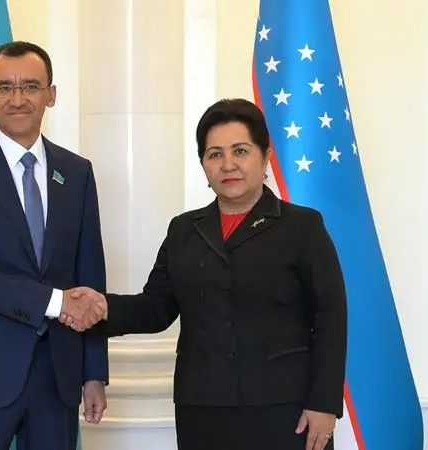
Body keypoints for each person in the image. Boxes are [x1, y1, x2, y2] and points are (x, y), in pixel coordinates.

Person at [62, 98, 348, 450]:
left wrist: (324, 403)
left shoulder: (302, 226)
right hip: (203, 408)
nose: (228, 164)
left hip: (286, 408)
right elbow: (156, 307)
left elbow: (330, 318)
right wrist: (102, 307)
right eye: (215, 154)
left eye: (240, 151)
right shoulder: (184, 229)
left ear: (265, 157)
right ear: (203, 164)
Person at [0, 41, 109, 450]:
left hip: (58, 377)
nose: (17, 98)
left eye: (30, 86)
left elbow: (89, 275)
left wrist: (93, 371)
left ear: (51, 94)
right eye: (4, 87)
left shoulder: (76, 172)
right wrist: (54, 302)